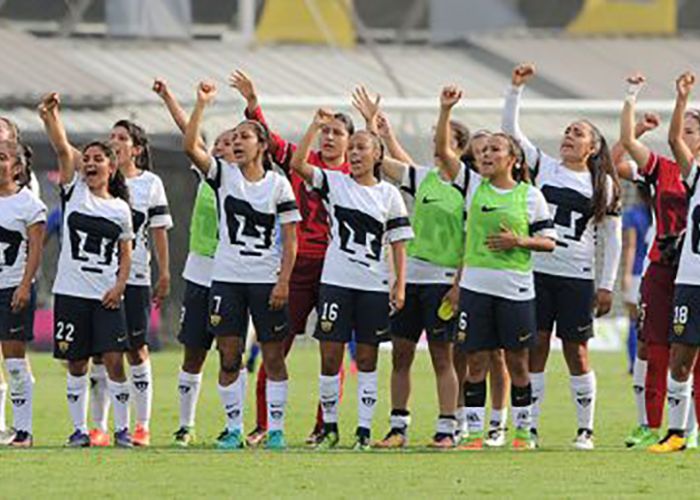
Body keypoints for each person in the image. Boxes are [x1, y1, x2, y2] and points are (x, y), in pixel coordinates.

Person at [229, 70, 353, 446]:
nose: (328, 137)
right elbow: (267, 139)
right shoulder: (303, 161)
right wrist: (252, 102)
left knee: (332, 351)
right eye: (325, 131)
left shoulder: (358, 172)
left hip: (337, 270)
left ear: (351, 141)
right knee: (274, 345)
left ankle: (324, 426)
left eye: (337, 133)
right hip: (296, 265)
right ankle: (264, 424)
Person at [503, 63, 622, 450]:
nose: (569, 136)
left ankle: (585, 429)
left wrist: (605, 287)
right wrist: (515, 90)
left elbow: (613, 239)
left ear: (593, 147)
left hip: (575, 275)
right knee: (534, 345)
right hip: (537, 273)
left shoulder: (602, 184)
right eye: (567, 131)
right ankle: (530, 428)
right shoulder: (545, 167)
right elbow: (512, 134)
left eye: (579, 133)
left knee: (576, 350)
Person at [184, 81, 300, 450]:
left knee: (272, 355)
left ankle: (276, 429)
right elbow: (190, 146)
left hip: (266, 280)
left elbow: (291, 239)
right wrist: (201, 105)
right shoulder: (222, 175)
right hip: (227, 280)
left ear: (262, 146)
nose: (236, 142)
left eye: (244, 135)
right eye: (233, 137)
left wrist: (283, 281)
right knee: (229, 354)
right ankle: (233, 428)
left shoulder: (279, 186)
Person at [439, 91, 556, 451]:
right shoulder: (474, 186)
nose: (486, 154)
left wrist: (519, 241)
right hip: (476, 288)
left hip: (516, 290)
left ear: (513, 158)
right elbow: (445, 152)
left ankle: (522, 432)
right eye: (483, 150)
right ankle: (474, 434)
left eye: (495, 150)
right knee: (475, 360)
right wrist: (446, 111)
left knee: (517, 362)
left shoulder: (530, 196)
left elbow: (549, 241)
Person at [291, 108, 413, 450]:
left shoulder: (388, 195)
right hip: (336, 284)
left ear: (377, 155)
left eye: (362, 148)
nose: (355, 153)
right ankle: (329, 428)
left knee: (368, 361)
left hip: (373, 287)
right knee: (329, 358)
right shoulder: (335, 182)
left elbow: (399, 242)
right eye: (353, 148)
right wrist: (313, 126)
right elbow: (299, 165)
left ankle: (362, 430)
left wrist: (399, 283)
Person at [356, 86, 467, 449]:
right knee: (401, 354)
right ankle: (398, 428)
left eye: (443, 139)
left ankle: (447, 428)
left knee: (441, 356)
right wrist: (371, 124)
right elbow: (381, 162)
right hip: (413, 278)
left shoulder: (471, 188)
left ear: (458, 147)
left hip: (443, 281)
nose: (436, 144)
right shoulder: (425, 179)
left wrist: (458, 284)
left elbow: (469, 243)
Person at [151, 79, 246, 447]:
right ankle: (186, 424)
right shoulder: (209, 175)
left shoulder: (248, 183)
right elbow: (186, 131)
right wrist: (173, 98)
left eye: (231, 142)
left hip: (235, 275)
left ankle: (232, 425)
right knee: (194, 353)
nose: (224, 147)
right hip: (200, 273)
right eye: (219, 143)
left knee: (230, 353)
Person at [39, 93, 134, 448]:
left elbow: (126, 253)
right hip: (71, 292)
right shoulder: (73, 190)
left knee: (113, 362)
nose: (91, 164)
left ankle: (121, 429)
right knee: (76, 363)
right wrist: (51, 116)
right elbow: (63, 148)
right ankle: (79, 430)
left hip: (106, 295)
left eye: (98, 159)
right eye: (88, 159)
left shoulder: (121, 209)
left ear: (111, 167)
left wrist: (120, 286)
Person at [616, 74, 693, 449]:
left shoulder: (695, 175)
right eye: (687, 129)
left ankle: (688, 430)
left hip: (692, 270)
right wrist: (631, 96)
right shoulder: (663, 168)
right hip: (662, 264)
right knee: (651, 346)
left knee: (689, 349)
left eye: (694, 130)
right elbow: (625, 147)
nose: (687, 134)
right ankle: (649, 423)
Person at [88, 118, 173, 447]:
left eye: (121, 137)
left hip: (136, 277)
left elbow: (159, 232)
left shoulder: (150, 183)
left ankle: (142, 425)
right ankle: (99, 426)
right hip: (98, 278)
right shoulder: (96, 183)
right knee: (101, 353)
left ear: (136, 149)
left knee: (136, 350)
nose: (115, 141)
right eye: (111, 136)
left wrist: (163, 273)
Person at [650, 72, 700, 453]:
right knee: (681, 359)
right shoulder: (696, 175)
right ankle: (677, 434)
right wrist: (681, 98)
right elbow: (671, 140)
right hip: (691, 280)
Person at [0, 139, 46, 447]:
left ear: (17, 167)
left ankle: (24, 430)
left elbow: (36, 251)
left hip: (12, 289)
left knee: (14, 359)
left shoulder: (29, 204)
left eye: (2, 157)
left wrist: (24, 285)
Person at [621, 185, 652, 372]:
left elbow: (631, 247)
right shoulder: (659, 212)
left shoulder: (632, 214)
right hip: (655, 272)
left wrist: (626, 274)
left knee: (634, 320)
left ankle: (635, 363)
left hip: (637, 272)